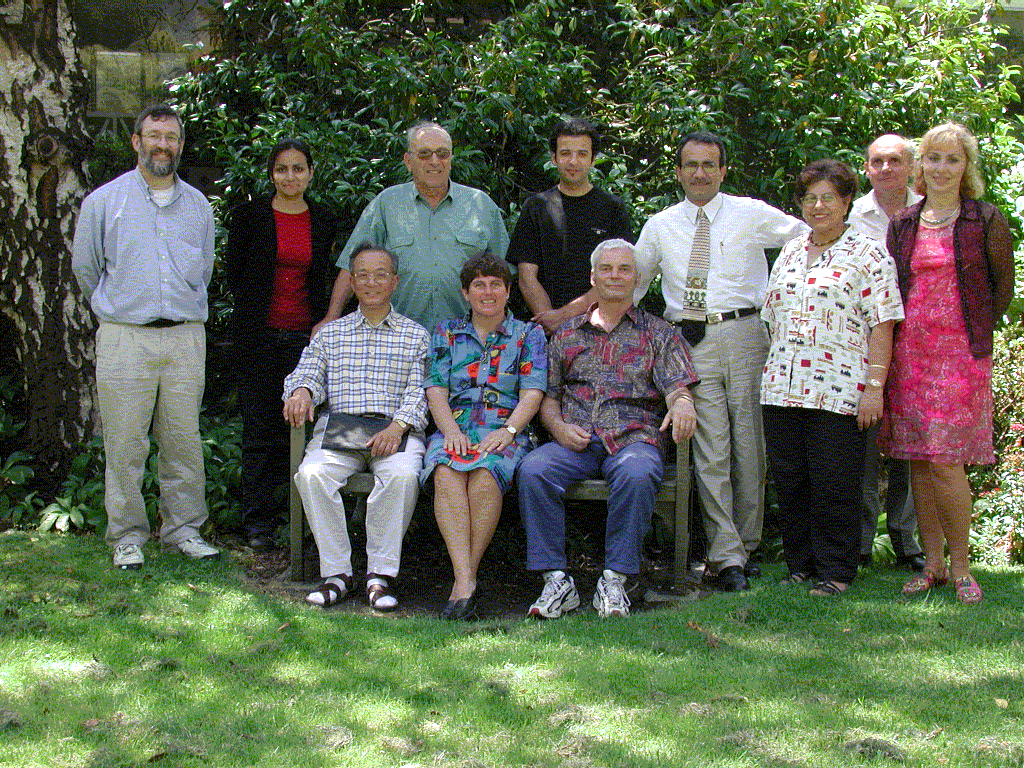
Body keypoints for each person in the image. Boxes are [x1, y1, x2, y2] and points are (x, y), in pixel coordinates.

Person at [633, 131, 807, 591]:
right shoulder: (660, 225)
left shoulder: (751, 213)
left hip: (747, 334)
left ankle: (747, 545)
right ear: (677, 172)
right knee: (711, 448)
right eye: (691, 165)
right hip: (689, 341)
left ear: (723, 170)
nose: (700, 173)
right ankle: (726, 556)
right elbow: (633, 283)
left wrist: (791, 293)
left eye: (709, 164)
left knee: (750, 445)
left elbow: (807, 235)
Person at [72, 103, 219, 570]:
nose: (163, 145)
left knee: (183, 440)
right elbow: (85, 268)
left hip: (184, 338)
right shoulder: (103, 202)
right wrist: (119, 307)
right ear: (137, 141)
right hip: (125, 338)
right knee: (125, 442)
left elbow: (204, 270)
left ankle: (183, 530)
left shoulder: (198, 206)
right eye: (154, 136)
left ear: (180, 145)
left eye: (171, 137)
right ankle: (127, 536)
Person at [518, 240, 698, 618]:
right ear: (593, 277)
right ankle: (556, 581)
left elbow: (677, 386)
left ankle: (616, 578)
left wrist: (682, 402)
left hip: (634, 439)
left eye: (624, 269)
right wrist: (558, 427)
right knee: (534, 469)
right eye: (606, 268)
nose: (615, 276)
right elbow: (549, 396)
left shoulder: (659, 333)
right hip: (575, 440)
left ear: (637, 278)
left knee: (638, 473)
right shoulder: (567, 334)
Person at [879, 123, 1015, 605]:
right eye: (933, 158)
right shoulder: (904, 223)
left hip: (961, 358)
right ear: (922, 165)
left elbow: (1003, 288)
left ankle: (961, 567)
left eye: (952, 159)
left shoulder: (986, 219)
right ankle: (932, 565)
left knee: (946, 462)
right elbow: (892, 288)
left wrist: (969, 333)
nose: (941, 167)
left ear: (966, 167)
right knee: (920, 461)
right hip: (910, 357)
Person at [761, 159, 904, 596]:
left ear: (846, 202)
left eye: (828, 197)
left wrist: (874, 388)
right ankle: (801, 566)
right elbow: (772, 316)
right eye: (810, 198)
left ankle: (837, 571)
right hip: (781, 386)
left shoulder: (869, 253)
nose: (818, 206)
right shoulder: (790, 251)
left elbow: (883, 323)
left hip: (839, 388)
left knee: (833, 481)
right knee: (791, 480)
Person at [284, 244, 430, 611]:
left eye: (381, 275)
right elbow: (306, 373)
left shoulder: (416, 335)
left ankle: (379, 576)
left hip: (395, 432)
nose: (371, 282)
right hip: (341, 431)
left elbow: (421, 392)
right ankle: (337, 574)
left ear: (394, 282)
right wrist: (301, 391)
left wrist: (398, 426)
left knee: (401, 476)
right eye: (362, 275)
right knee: (312, 475)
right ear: (351, 282)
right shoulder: (330, 334)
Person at [225, 138, 338, 551]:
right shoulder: (251, 215)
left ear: (311, 173)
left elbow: (324, 277)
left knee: (303, 430)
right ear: (271, 174)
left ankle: (302, 523)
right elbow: (234, 274)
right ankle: (258, 523)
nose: (290, 176)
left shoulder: (323, 219)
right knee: (260, 431)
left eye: (298, 168)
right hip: (258, 337)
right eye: (281, 169)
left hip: (305, 340)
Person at [422, 252, 547, 620]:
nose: (487, 292)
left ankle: (464, 581)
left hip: (506, 430)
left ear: (508, 292)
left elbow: (533, 391)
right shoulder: (446, 333)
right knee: (445, 473)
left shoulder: (528, 334)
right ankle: (466, 580)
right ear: (466, 292)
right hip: (455, 426)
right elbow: (435, 388)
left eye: (495, 284)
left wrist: (508, 431)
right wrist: (450, 431)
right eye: (479, 285)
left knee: (485, 475)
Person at [317, 121, 509, 334]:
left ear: (451, 159)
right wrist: (332, 316)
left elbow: (504, 271)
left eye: (442, 153)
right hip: (398, 339)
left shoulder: (480, 205)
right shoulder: (387, 203)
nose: (434, 161)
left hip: (468, 337)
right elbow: (352, 264)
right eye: (424, 154)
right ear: (408, 161)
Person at [847, 134, 925, 571]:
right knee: (862, 442)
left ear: (911, 166)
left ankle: (906, 541)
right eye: (877, 161)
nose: (886, 168)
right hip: (864, 339)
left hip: (921, 341)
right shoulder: (852, 216)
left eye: (895, 160)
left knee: (911, 445)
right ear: (866, 168)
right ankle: (859, 542)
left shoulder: (930, 212)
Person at [508, 118, 634, 333]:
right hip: (543, 330)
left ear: (593, 159)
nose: (573, 161)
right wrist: (550, 322)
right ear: (554, 158)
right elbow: (526, 277)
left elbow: (616, 279)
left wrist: (563, 318)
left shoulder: (613, 209)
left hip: (599, 330)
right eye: (565, 153)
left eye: (582, 154)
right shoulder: (536, 207)